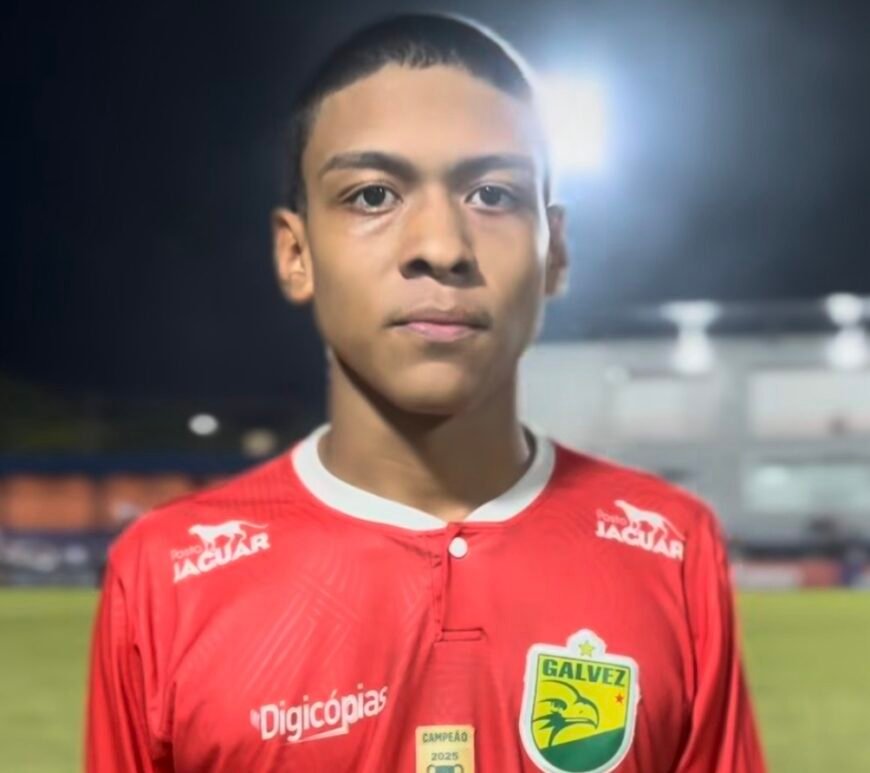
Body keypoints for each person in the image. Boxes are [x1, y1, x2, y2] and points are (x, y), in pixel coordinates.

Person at [85, 12, 767, 772]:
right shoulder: (167, 574)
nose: (441, 248)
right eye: (373, 195)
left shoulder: (671, 549)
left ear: (555, 252)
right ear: (296, 252)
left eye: (493, 195)